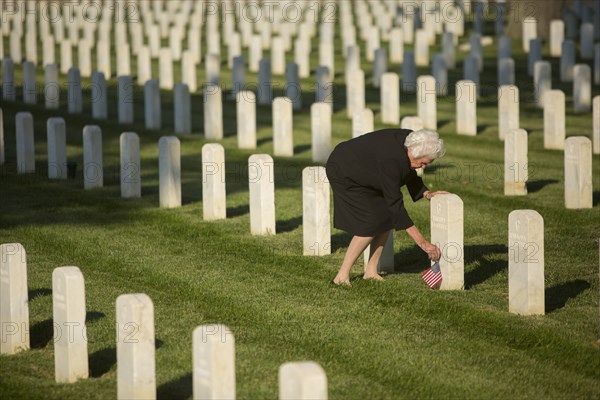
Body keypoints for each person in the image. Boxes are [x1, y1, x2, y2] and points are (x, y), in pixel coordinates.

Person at [325, 128, 448, 286]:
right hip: (345, 171)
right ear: (413, 152)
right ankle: (341, 277)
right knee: (369, 223)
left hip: (369, 170)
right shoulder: (392, 159)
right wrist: (424, 244)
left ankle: (370, 271)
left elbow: (409, 172)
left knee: (386, 219)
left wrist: (426, 193)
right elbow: (396, 206)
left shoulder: (413, 141)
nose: (423, 167)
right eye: (423, 163)